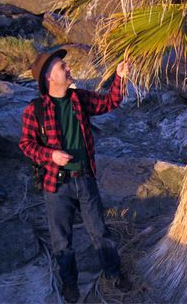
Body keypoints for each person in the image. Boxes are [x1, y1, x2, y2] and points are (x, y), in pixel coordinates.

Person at [19, 48, 132, 303]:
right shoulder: (34, 110)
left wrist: (120, 77)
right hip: (56, 186)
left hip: (85, 178)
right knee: (62, 241)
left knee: (99, 231)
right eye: (62, 66)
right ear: (49, 77)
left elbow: (109, 102)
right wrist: (51, 156)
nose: (68, 67)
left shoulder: (78, 98)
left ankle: (114, 273)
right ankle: (70, 284)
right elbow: (26, 145)